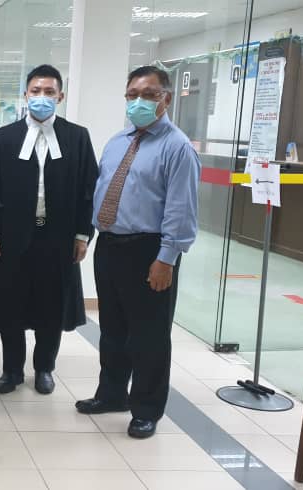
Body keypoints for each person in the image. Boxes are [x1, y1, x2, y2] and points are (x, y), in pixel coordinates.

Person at [75, 66, 200, 439]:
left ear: (166, 98)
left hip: (150, 251)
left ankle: (146, 408)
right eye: (132, 95)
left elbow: (181, 209)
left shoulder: (177, 148)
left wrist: (167, 259)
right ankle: (112, 394)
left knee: (149, 335)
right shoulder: (117, 141)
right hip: (110, 246)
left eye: (148, 94)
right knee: (113, 329)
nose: (138, 102)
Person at [0, 64, 99, 395]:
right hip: (11, 237)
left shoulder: (77, 137)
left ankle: (44, 368)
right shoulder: (2, 139)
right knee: (12, 305)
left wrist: (82, 234)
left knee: (51, 307)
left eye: (49, 92)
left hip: (58, 237)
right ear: (25, 95)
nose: (41, 98)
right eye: (36, 91)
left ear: (60, 96)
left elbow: (88, 189)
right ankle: (11, 370)